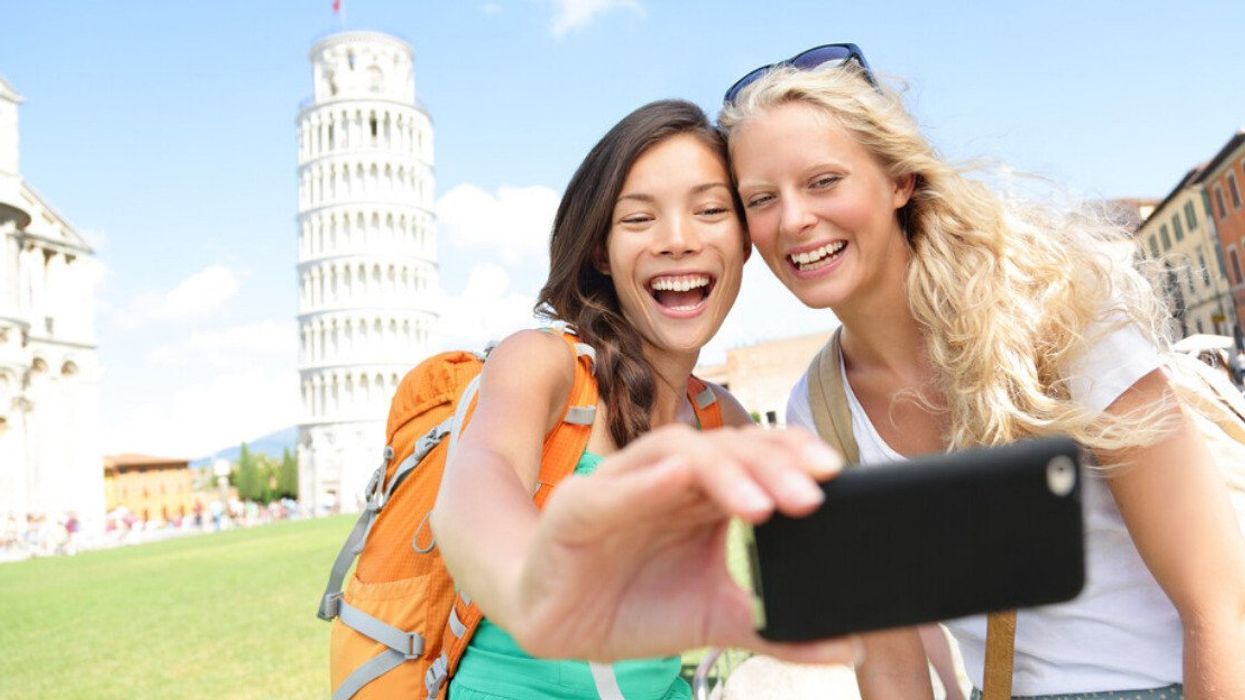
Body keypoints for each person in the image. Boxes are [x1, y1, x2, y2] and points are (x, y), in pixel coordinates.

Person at [717, 44, 1245, 698]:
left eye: (823, 181)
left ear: (898, 181)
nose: (793, 220)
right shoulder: (819, 409)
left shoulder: (1059, 316)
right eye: (760, 198)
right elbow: (890, 664)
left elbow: (1219, 605)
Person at [430, 99, 859, 700]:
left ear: (743, 242)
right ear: (601, 251)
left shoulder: (721, 420)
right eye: (638, 219)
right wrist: (538, 588)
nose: (678, 240)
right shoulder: (544, 363)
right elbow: (475, 488)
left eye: (710, 210)